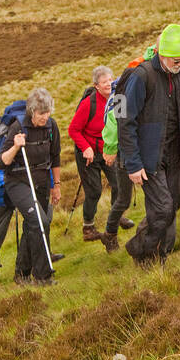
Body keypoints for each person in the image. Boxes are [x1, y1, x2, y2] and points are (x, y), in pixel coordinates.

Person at [102, 40, 180, 252]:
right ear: (160, 53)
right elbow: (119, 117)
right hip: (143, 155)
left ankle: (158, 250)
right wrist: (116, 150)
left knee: (172, 203)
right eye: (177, 61)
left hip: (175, 152)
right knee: (148, 204)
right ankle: (132, 245)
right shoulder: (136, 74)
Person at [0, 89, 63, 285]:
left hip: (42, 180)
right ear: (32, 111)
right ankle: (42, 276)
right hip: (18, 181)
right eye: (41, 113)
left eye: (47, 112)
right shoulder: (17, 128)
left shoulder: (51, 126)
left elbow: (56, 157)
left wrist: (56, 185)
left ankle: (22, 274)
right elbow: (2, 162)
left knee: (34, 225)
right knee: (40, 222)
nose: (45, 117)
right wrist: (16, 146)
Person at [69, 65, 134, 240]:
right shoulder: (88, 104)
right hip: (87, 153)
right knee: (94, 191)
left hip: (109, 150)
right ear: (96, 86)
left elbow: (121, 125)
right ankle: (88, 229)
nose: (108, 84)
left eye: (110, 80)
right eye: (103, 82)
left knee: (118, 184)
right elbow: (73, 130)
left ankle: (116, 215)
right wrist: (86, 148)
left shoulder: (119, 99)